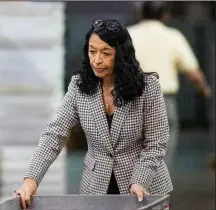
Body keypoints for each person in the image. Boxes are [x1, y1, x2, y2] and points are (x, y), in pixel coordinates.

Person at [13, 19, 173, 209]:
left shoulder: (148, 88)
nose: (96, 60)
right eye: (92, 51)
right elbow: (55, 134)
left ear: (121, 55)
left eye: (106, 53)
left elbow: (156, 143)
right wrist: (31, 180)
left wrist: (140, 180)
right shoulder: (79, 86)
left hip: (144, 188)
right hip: (96, 188)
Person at [127, 1, 212, 168]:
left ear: (140, 14)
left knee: (131, 150)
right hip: (162, 101)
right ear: (164, 15)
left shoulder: (127, 35)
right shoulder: (173, 36)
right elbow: (193, 73)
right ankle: (156, 188)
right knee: (161, 151)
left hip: (131, 101)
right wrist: (205, 90)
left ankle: (132, 188)